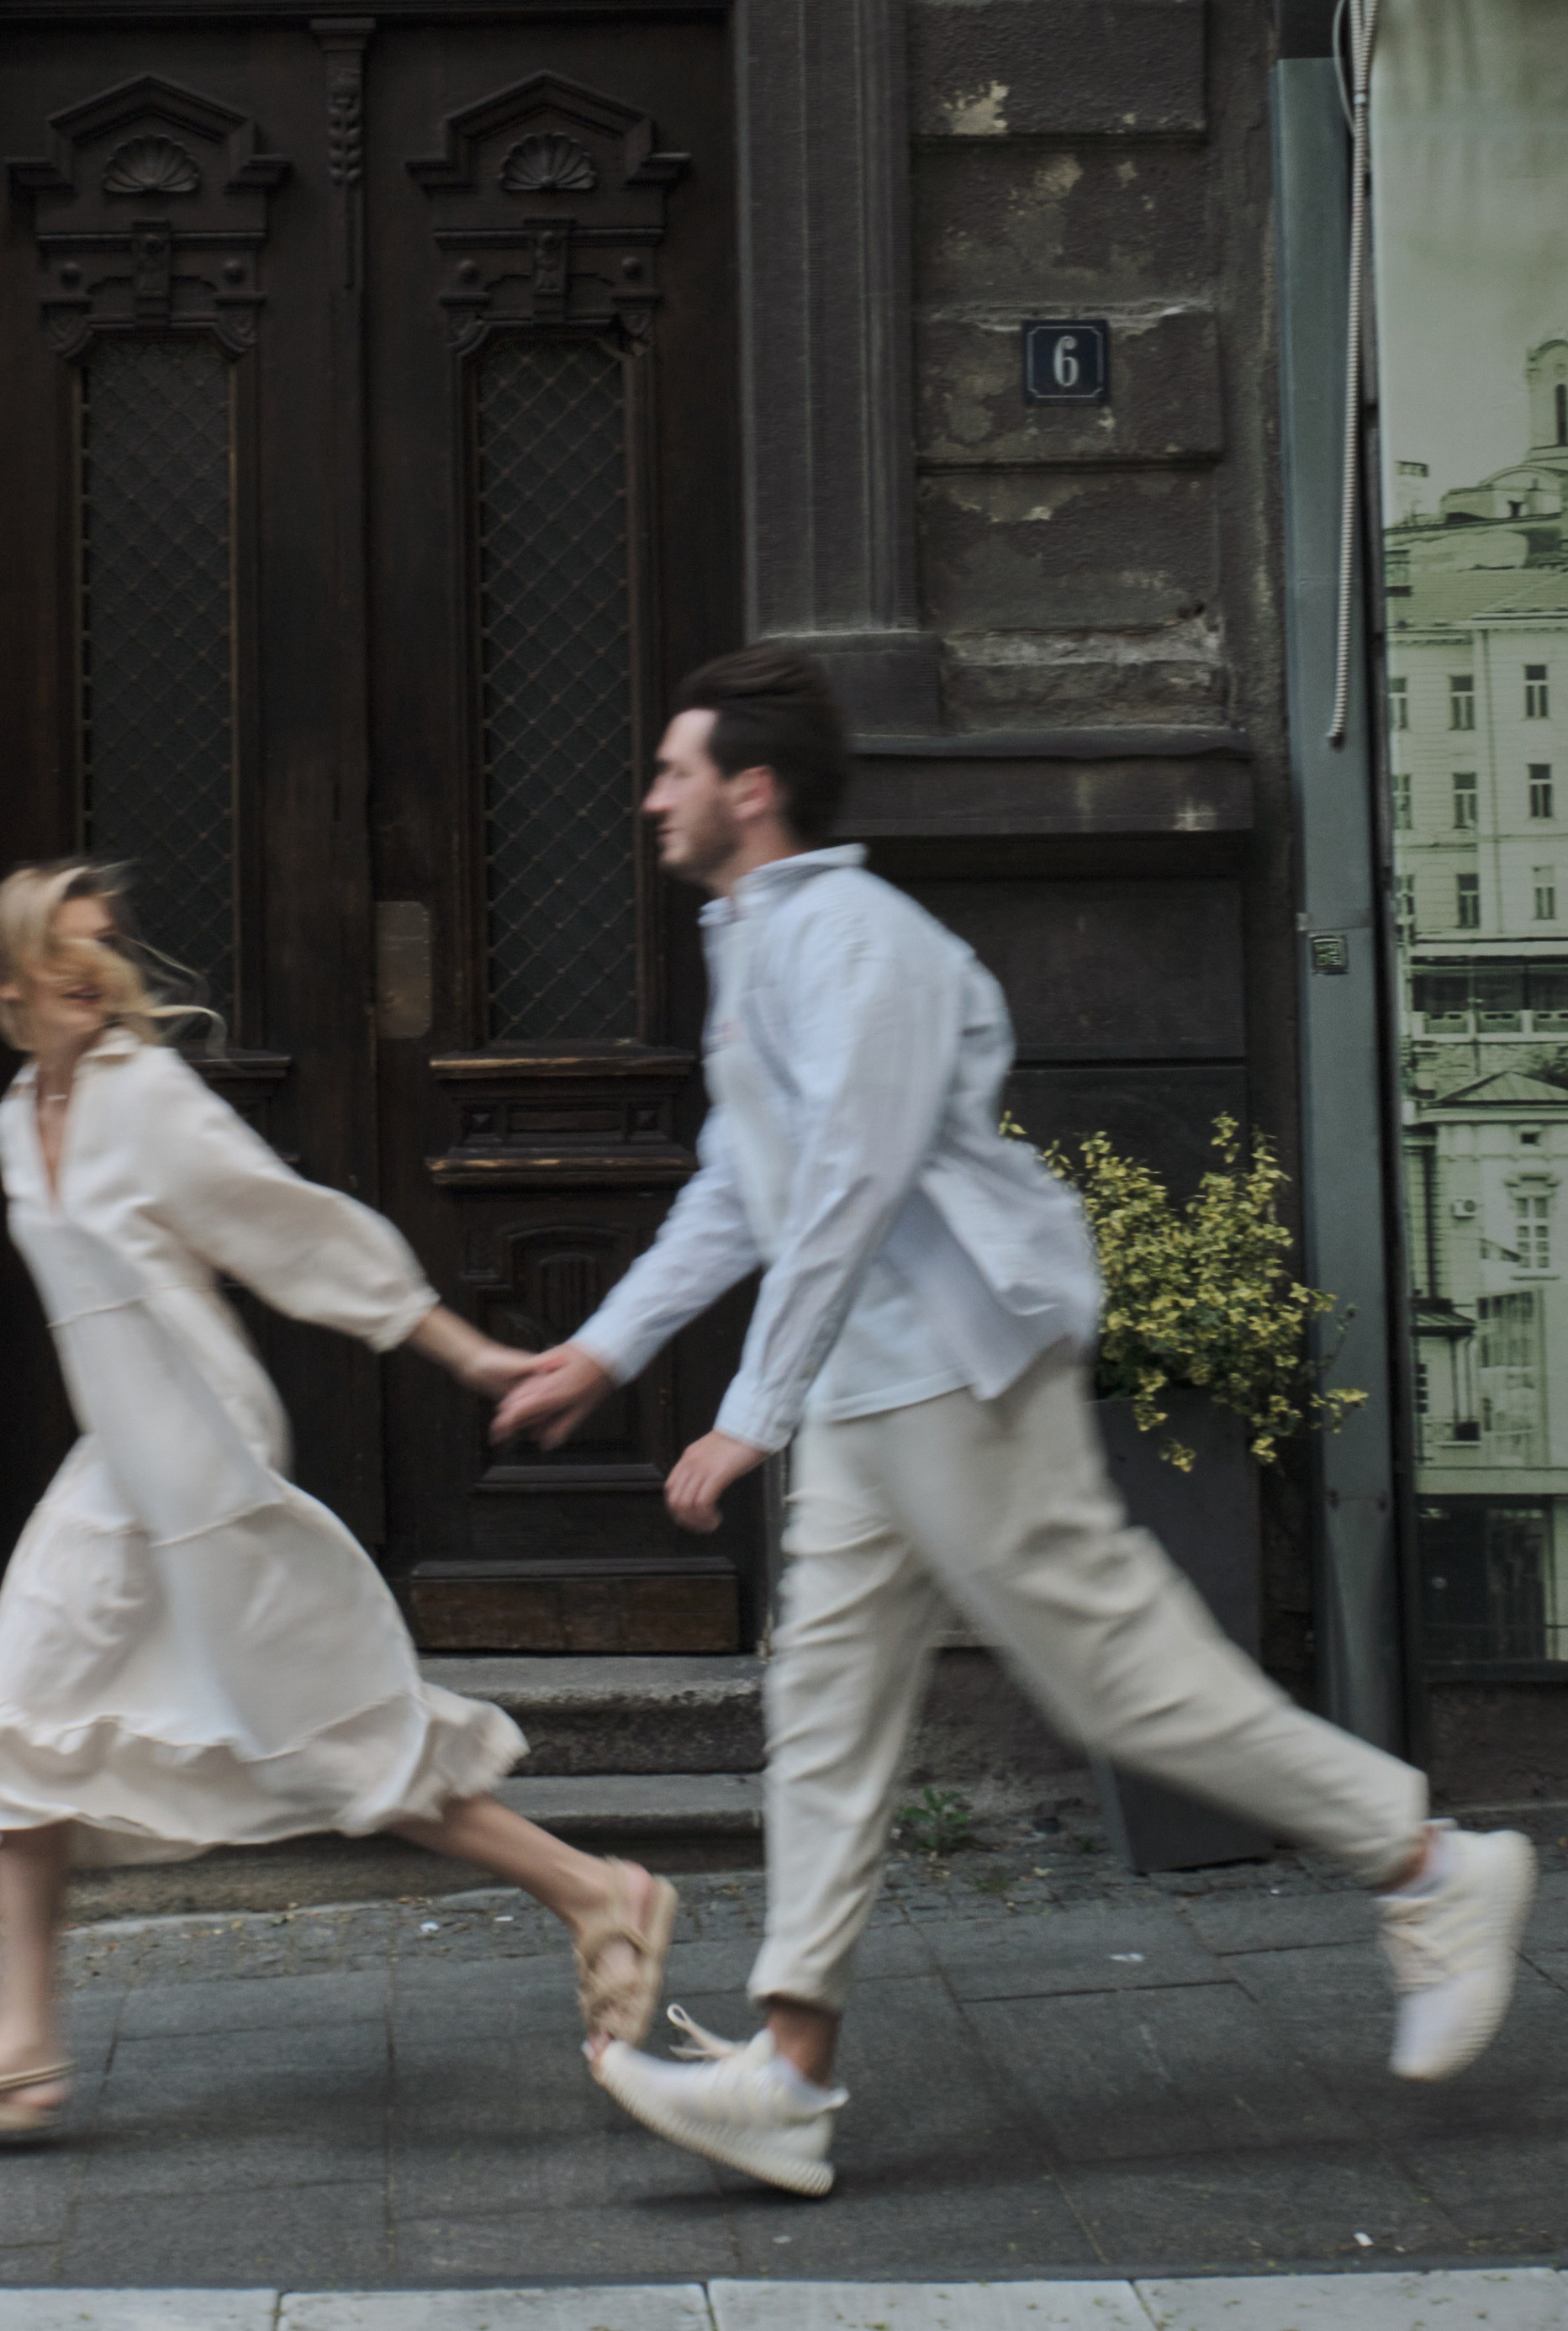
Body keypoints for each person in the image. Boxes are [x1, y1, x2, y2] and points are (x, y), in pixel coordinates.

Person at [494, 645, 1535, 2200]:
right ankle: (790, 2077)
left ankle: (1433, 1864)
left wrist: (749, 1410)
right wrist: (605, 1344)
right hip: (869, 1384)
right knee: (826, 1719)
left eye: (673, 770)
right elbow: (742, 1181)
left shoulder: (862, 941)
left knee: (1119, 1679)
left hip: (953, 1367)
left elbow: (850, 1180)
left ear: (751, 789)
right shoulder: (761, 937)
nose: (652, 797)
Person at [0, 860, 676, 2134]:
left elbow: (294, 1230)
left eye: (105, 947)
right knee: (19, 1712)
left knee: (316, 1726)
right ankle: (21, 2040)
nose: (95, 972)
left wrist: (466, 1352)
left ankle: (594, 1891)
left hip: (198, 1445)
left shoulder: (142, 1094)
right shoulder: (19, 1115)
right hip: (119, 1453)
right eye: (66, 952)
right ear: (12, 981)